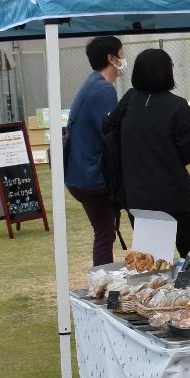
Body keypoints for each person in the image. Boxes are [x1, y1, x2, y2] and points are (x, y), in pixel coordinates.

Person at [106, 48, 190, 256]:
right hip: (173, 195)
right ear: (168, 72)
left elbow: (108, 132)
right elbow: (189, 154)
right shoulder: (177, 106)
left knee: (152, 265)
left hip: (137, 197)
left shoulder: (129, 100)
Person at [66, 35, 125, 266]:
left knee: (104, 231)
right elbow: (110, 136)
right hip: (91, 176)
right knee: (104, 233)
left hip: (79, 174)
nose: (123, 58)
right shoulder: (103, 90)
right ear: (111, 58)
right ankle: (103, 281)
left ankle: (103, 279)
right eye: (121, 53)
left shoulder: (93, 83)